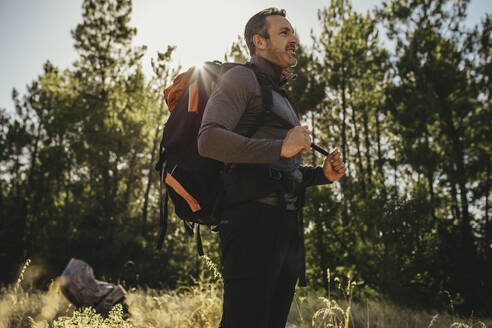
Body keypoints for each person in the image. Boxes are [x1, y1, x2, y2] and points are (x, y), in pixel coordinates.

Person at [198, 7, 346, 328]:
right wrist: (281, 146)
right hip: (251, 223)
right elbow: (208, 140)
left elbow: (284, 170)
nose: (294, 38)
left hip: (285, 227)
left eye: (293, 32)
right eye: (284, 32)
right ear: (259, 42)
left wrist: (322, 174)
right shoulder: (240, 78)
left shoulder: (279, 96)